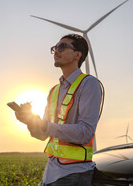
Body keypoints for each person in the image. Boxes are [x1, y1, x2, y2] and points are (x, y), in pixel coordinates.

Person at [15, 34, 103, 186]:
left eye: (62, 47)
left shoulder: (89, 84)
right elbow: (43, 135)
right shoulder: (53, 91)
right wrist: (29, 122)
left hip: (75, 173)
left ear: (77, 55)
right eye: (54, 48)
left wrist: (43, 124)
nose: (56, 51)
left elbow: (85, 132)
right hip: (51, 173)